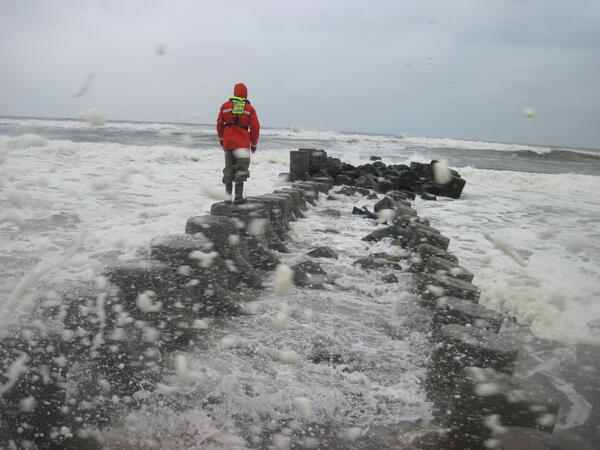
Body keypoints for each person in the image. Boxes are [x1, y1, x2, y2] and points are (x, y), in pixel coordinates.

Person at [216, 82, 260, 204]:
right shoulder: (249, 108)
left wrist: (221, 139)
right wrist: (254, 144)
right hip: (242, 144)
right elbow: (255, 127)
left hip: (228, 142)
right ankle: (239, 197)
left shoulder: (225, 106)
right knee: (241, 169)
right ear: (246, 94)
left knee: (229, 168)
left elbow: (219, 124)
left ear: (234, 92)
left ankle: (228, 197)